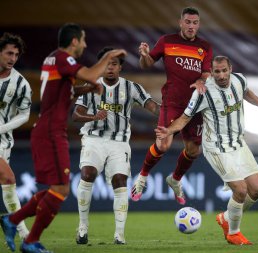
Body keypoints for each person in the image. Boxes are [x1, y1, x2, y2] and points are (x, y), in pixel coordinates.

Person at [0, 23, 127, 253]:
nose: (86, 44)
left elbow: (63, 91)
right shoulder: (63, 58)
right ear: (75, 41)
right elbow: (89, 73)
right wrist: (108, 56)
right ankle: (30, 241)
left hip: (47, 130)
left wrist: (86, 90)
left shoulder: (52, 59)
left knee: (57, 188)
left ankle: (12, 220)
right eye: (84, 40)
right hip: (50, 133)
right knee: (61, 190)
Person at [155, 56, 258, 245]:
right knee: (240, 190)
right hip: (216, 147)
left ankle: (226, 217)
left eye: (224, 70)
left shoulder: (239, 80)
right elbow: (184, 118)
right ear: (212, 71)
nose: (222, 75)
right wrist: (169, 130)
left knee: (257, 190)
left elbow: (247, 93)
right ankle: (233, 233)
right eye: (217, 71)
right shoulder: (203, 92)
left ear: (230, 69)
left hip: (238, 143)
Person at [74, 47, 160, 245]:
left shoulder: (131, 88)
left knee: (120, 180)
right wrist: (93, 116)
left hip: (119, 142)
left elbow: (153, 107)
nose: (110, 68)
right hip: (93, 138)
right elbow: (76, 114)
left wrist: (173, 116)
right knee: (87, 173)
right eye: (107, 64)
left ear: (120, 67)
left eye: (114, 64)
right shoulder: (90, 86)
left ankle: (119, 234)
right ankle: (82, 228)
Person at [131, 6, 213, 205]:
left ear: (198, 24)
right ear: (180, 22)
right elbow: (147, 64)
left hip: (196, 106)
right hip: (173, 103)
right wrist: (144, 55)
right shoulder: (167, 41)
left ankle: (175, 180)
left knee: (194, 151)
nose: (191, 26)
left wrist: (203, 80)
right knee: (163, 144)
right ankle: (142, 177)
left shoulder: (206, 47)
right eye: (188, 22)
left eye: (195, 23)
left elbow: (207, 72)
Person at [0, 33, 31, 241]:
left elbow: (25, 114)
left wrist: (3, 128)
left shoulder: (20, 83)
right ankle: (25, 235)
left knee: (7, 183)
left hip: (3, 141)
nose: (12, 58)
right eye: (9, 53)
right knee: (9, 178)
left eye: (16, 54)